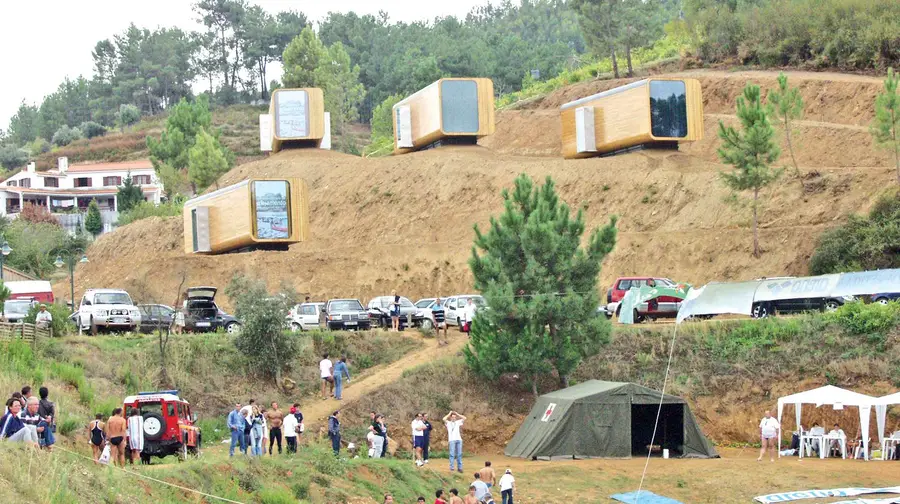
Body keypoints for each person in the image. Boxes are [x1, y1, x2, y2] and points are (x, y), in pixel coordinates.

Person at [37, 386, 56, 450]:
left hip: (39, 424)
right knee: (48, 439)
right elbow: (52, 414)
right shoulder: (50, 404)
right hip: (47, 424)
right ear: (47, 394)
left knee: (41, 438)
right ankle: (49, 448)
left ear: (39, 394)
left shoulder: (37, 404)